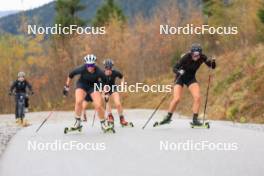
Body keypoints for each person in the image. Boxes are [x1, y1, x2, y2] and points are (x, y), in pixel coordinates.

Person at [156, 43, 216, 126]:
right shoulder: (186, 57)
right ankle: (168, 117)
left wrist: (213, 61)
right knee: (177, 99)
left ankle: (195, 120)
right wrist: (179, 71)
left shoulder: (202, 57)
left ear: (200, 53)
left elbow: (212, 66)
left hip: (190, 78)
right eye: (194, 55)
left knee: (197, 97)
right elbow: (174, 68)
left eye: (198, 55)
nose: (196, 57)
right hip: (180, 77)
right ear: (191, 53)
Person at [63, 54, 114, 132]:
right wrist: (66, 86)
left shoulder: (99, 71)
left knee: (98, 105)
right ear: (86, 64)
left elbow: (105, 82)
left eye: (92, 65)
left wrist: (106, 93)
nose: (90, 67)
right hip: (82, 85)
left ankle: (103, 124)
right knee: (79, 101)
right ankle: (77, 123)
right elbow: (71, 75)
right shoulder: (82, 69)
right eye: (88, 65)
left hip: (93, 86)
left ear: (94, 64)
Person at [81, 59, 133, 127]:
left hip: (113, 88)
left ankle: (121, 118)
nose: (108, 70)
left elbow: (122, 77)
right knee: (106, 99)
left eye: (110, 68)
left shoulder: (115, 72)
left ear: (112, 68)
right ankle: (110, 116)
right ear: (105, 68)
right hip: (104, 88)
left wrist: (122, 85)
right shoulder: (101, 74)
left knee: (118, 103)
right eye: (107, 68)